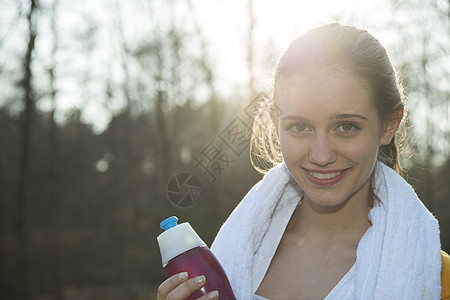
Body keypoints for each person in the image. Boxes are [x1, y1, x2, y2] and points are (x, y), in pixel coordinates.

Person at [157, 23, 449, 300]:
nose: (321, 156)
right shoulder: (221, 264)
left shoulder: (437, 278)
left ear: (388, 124)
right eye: (299, 127)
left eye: (346, 126)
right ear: (276, 122)